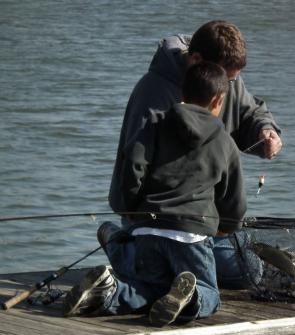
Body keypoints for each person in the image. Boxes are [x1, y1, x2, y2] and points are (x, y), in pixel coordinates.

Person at [63, 61, 246, 326]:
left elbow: (133, 165)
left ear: (182, 93)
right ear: (218, 100)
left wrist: (130, 207)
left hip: (147, 229)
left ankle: (109, 293)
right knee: (211, 295)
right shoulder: (225, 141)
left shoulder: (154, 124)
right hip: (191, 236)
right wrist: (227, 227)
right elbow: (234, 200)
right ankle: (192, 297)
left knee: (149, 289)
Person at [105, 20, 273, 289]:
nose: (227, 87)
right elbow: (131, 172)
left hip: (202, 220)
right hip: (153, 219)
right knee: (228, 274)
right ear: (196, 59)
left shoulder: (229, 81)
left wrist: (264, 131)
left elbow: (250, 113)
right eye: (225, 81)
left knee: (246, 270)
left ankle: (146, 265)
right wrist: (135, 216)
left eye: (232, 81)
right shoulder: (153, 94)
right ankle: (121, 245)